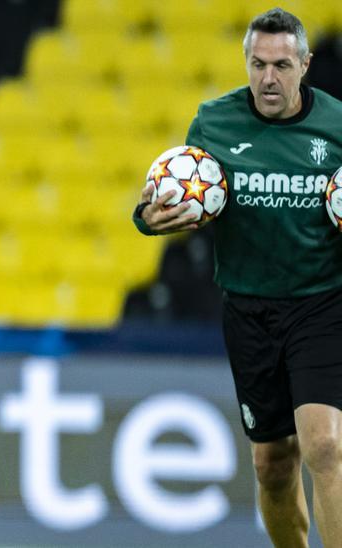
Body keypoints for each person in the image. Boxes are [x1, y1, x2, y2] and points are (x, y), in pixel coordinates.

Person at [133, 8, 342, 547]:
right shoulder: (213, 121)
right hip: (248, 308)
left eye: (281, 65)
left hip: (321, 303)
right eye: (257, 64)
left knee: (324, 445)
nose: (268, 78)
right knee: (274, 463)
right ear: (245, 62)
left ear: (305, 64)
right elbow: (177, 198)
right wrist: (147, 219)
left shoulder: (339, 126)